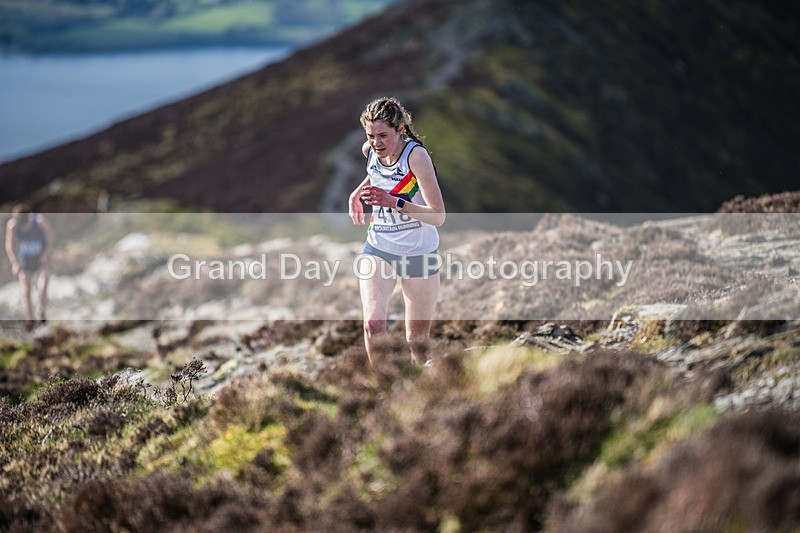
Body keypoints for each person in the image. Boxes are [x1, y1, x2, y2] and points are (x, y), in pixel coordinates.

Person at [348, 97, 446, 366]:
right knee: (373, 324)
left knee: (417, 342)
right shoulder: (370, 150)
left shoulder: (417, 157)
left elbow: (438, 216)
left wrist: (393, 202)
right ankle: (382, 385)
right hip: (379, 248)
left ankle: (418, 388)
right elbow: (376, 172)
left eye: (383, 135)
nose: (376, 143)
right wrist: (356, 193)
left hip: (419, 253)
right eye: (370, 136)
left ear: (400, 129)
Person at [5, 205, 53, 330]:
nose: (24, 228)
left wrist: (46, 253)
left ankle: (41, 311)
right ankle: (30, 320)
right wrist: (14, 263)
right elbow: (9, 245)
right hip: (25, 259)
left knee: (43, 285)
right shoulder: (12, 225)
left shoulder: (39, 221)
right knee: (25, 290)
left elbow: (50, 234)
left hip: (40, 257)